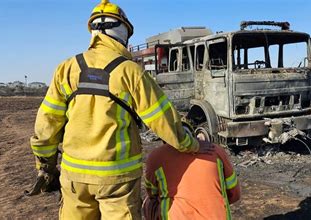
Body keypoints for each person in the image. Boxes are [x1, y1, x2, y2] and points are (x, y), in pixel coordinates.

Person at [28, 0, 211, 219]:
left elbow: (46, 124)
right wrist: (191, 144)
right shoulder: (131, 72)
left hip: (75, 178)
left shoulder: (66, 69)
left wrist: (46, 166)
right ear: (123, 31)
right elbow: (162, 120)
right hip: (118, 182)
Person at [143, 143, 241, 220]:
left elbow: (152, 194)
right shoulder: (216, 151)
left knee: (148, 204)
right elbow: (234, 194)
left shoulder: (156, 157)